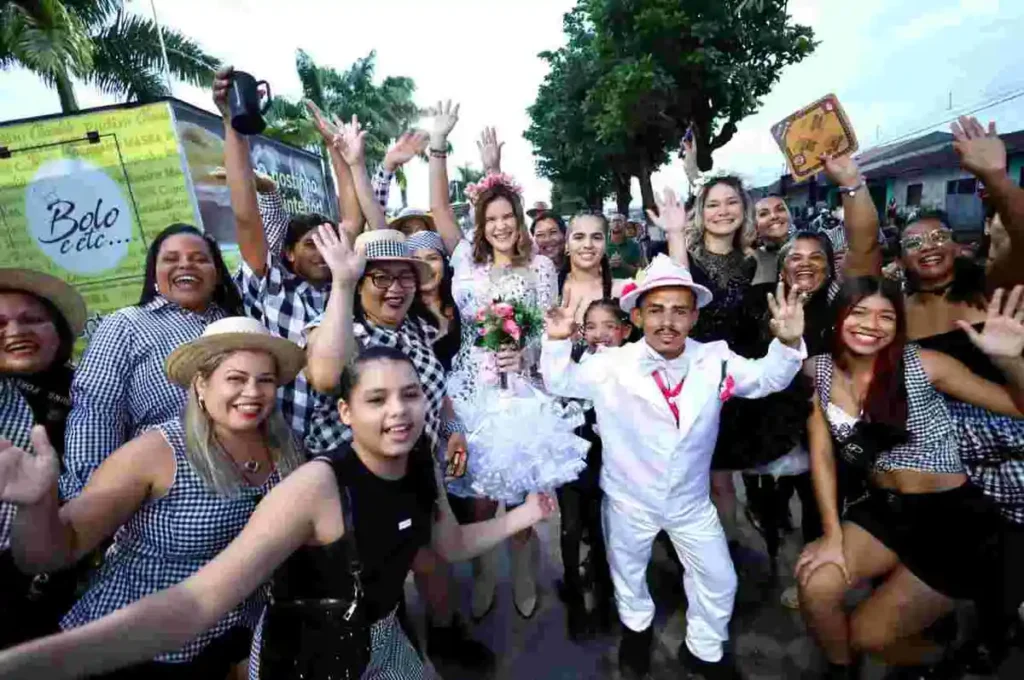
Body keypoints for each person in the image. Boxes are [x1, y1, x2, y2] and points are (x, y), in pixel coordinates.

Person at [0, 347, 559, 680]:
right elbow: (193, 605)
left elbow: (450, 546)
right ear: (344, 411)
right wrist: (30, 665)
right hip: (309, 659)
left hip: (383, 637)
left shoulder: (417, 463)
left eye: (410, 395)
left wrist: (525, 513)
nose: (398, 411)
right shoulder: (314, 485)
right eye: (376, 399)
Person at [542, 250, 807, 680]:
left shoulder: (716, 358)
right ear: (640, 315)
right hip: (629, 499)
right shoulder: (610, 363)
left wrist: (789, 343)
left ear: (694, 317)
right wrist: (556, 341)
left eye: (680, 311)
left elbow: (766, 379)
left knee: (720, 580)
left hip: (690, 501)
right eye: (657, 310)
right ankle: (637, 633)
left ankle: (703, 649)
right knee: (628, 574)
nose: (668, 321)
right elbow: (560, 382)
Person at [0, 317, 305, 678]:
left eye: (265, 380)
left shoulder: (285, 448)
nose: (253, 392)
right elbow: (53, 552)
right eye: (236, 379)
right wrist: (35, 506)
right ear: (202, 385)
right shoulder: (155, 452)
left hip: (229, 641)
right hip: (137, 650)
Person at [796, 277, 1024, 679]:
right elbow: (822, 456)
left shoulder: (923, 364)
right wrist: (831, 534)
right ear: (839, 316)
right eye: (859, 311)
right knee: (815, 586)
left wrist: (1010, 361)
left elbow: (1016, 407)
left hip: (953, 522)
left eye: (886, 316)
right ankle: (841, 671)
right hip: (885, 510)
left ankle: (946, 656)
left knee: (869, 636)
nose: (872, 324)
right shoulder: (821, 371)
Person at [428, 101, 588, 620]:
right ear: (481, 224)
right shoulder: (464, 262)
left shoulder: (541, 266)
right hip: (473, 388)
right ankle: (484, 574)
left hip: (521, 388)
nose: (499, 226)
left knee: (523, 497)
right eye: (490, 218)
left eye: (506, 217)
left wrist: (527, 352)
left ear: (519, 221)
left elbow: (545, 326)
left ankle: (522, 570)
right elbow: (440, 212)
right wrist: (440, 146)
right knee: (476, 499)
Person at [215, 68, 366, 449]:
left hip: (343, 440)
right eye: (311, 245)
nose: (323, 252)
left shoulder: (345, 290)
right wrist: (233, 125)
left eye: (327, 243)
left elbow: (352, 219)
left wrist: (336, 150)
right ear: (288, 253)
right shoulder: (274, 287)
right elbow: (246, 215)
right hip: (284, 443)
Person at [61, 223, 242, 499]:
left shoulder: (237, 324)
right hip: (171, 494)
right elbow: (97, 412)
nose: (185, 266)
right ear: (154, 275)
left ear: (217, 274)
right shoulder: (125, 325)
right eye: (171, 259)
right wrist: (92, 497)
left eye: (200, 259)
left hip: (248, 480)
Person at [0, 269, 87, 649]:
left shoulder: (93, 394)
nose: (15, 331)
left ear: (59, 331)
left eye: (32, 319)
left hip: (69, 588)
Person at [556, 298, 629, 641]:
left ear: (625, 331)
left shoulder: (631, 368)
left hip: (609, 465)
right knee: (570, 529)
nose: (600, 334)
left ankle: (604, 597)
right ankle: (574, 596)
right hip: (570, 462)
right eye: (591, 326)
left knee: (603, 532)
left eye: (609, 326)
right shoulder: (570, 362)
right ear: (581, 332)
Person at [558, 212, 630, 334]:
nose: (588, 245)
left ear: (606, 244)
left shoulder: (622, 291)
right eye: (579, 237)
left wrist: (674, 233)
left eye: (596, 237)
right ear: (566, 244)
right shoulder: (549, 288)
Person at [408, 230, 463, 374]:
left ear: (445, 264)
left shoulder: (462, 305)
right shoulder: (402, 313)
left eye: (432, 258)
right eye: (417, 260)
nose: (425, 266)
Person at [752, 194, 793, 285]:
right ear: (754, 225)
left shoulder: (811, 248)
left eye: (780, 209)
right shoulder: (749, 261)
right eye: (763, 214)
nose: (774, 216)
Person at [607, 213, 645, 279]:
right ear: (609, 225)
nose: (616, 224)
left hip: (627, 286)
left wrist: (624, 265)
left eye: (619, 221)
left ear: (625, 224)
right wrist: (609, 265)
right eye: (614, 221)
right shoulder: (600, 244)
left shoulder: (634, 245)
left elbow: (641, 274)